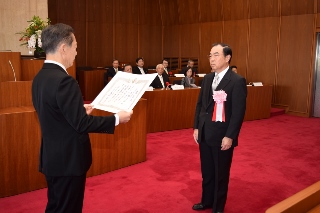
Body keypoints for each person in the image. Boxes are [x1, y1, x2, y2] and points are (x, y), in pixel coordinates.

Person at [31, 23, 133, 213]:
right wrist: (117, 118)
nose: (76, 53)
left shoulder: (40, 78)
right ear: (64, 48)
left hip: (52, 158)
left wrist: (77, 110)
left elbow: (53, 114)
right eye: (75, 47)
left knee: (56, 206)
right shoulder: (64, 80)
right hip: (68, 161)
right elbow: (82, 124)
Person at [192, 43, 247, 212]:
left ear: (227, 58)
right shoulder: (208, 78)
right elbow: (200, 105)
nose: (211, 59)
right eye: (210, 55)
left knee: (220, 173)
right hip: (205, 133)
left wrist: (230, 136)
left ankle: (218, 206)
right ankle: (206, 200)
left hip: (222, 135)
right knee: (207, 171)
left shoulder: (237, 81)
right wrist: (196, 127)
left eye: (216, 55)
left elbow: (238, 113)